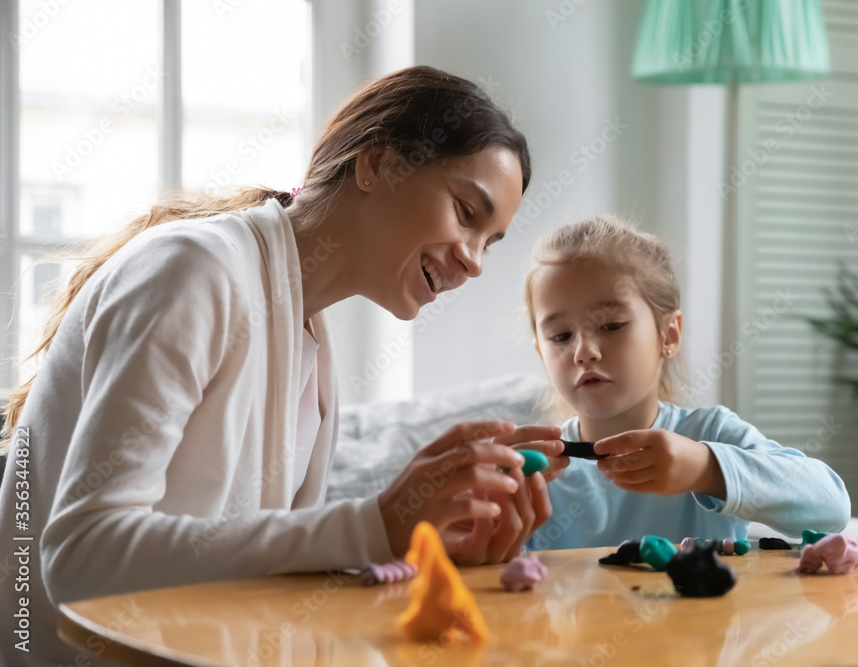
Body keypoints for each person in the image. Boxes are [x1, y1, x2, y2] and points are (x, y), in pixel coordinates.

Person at [0, 65, 563, 666]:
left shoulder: (312, 351)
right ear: (377, 165)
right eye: (466, 213)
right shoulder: (193, 272)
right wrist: (374, 524)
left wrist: (427, 554)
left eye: (490, 242)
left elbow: (270, 580)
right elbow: (81, 561)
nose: (475, 264)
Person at [521, 215, 851, 551]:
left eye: (611, 325)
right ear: (541, 352)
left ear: (669, 334)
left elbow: (831, 508)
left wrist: (706, 468)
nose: (584, 352)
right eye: (561, 336)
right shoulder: (538, 470)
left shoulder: (711, 433)